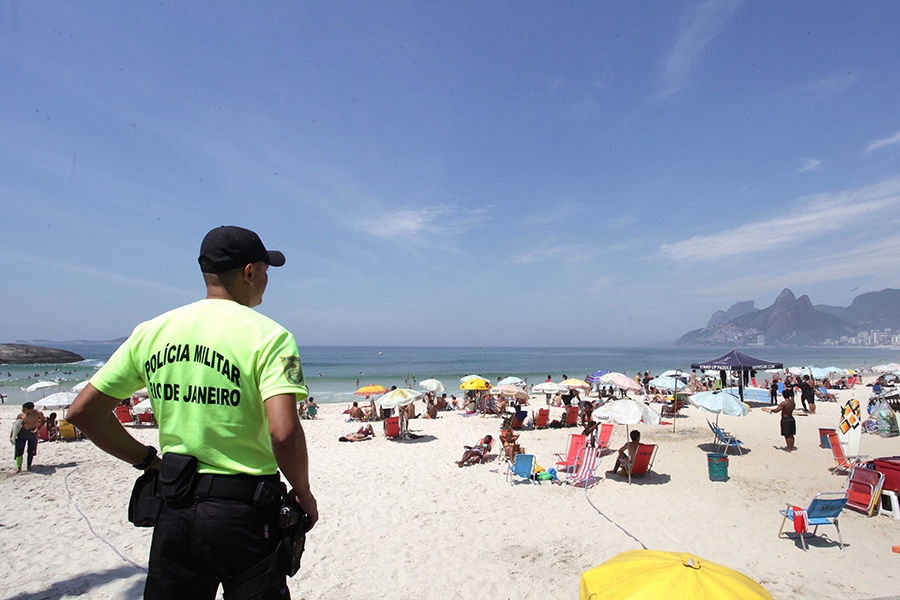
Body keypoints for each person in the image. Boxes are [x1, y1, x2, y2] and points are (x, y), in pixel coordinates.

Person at [67, 225, 317, 600]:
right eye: (266, 270)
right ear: (249, 272)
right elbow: (283, 432)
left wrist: (145, 459)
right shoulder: (270, 337)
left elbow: (82, 412)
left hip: (175, 508)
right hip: (243, 514)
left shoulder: (152, 331)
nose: (267, 279)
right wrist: (303, 492)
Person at [13, 402, 45, 472]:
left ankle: (29, 466)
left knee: (31, 450)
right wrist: (12, 436)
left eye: (24, 409)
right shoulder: (21, 415)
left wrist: (38, 428)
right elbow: (15, 426)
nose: (22, 410)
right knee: (19, 450)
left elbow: (43, 421)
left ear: (30, 409)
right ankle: (19, 467)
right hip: (22, 433)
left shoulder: (38, 413)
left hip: (32, 433)